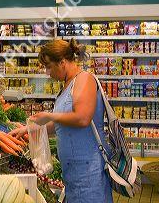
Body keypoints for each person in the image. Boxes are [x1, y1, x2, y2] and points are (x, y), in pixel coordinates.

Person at [9, 39, 113, 203]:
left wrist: (49, 116)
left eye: (49, 66)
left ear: (63, 62)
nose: (47, 73)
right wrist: (28, 129)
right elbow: (62, 123)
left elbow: (82, 118)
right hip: (73, 173)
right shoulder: (68, 85)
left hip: (88, 173)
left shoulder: (84, 79)